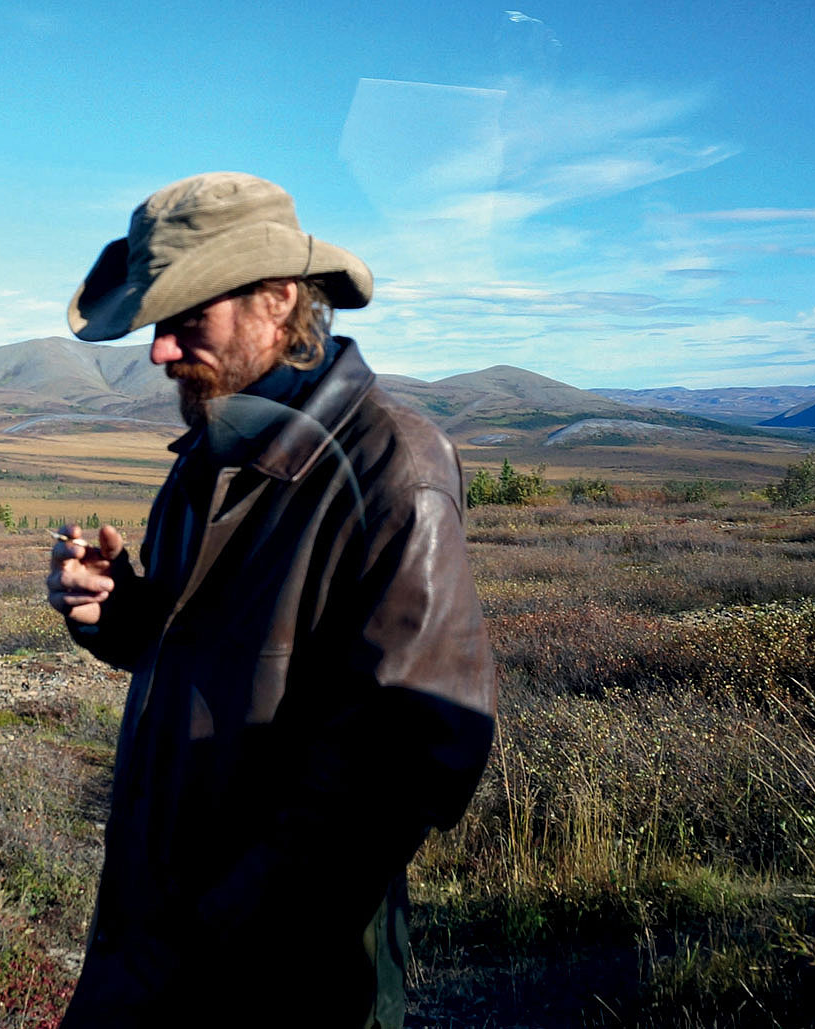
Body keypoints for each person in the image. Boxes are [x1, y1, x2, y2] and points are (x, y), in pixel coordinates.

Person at [44, 172, 497, 1028]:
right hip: (153, 938)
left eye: (185, 322)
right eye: (155, 326)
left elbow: (417, 750)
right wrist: (121, 612)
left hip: (286, 973)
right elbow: (220, 652)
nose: (158, 353)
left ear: (279, 300)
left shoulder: (392, 467)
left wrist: (230, 922)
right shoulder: (210, 453)